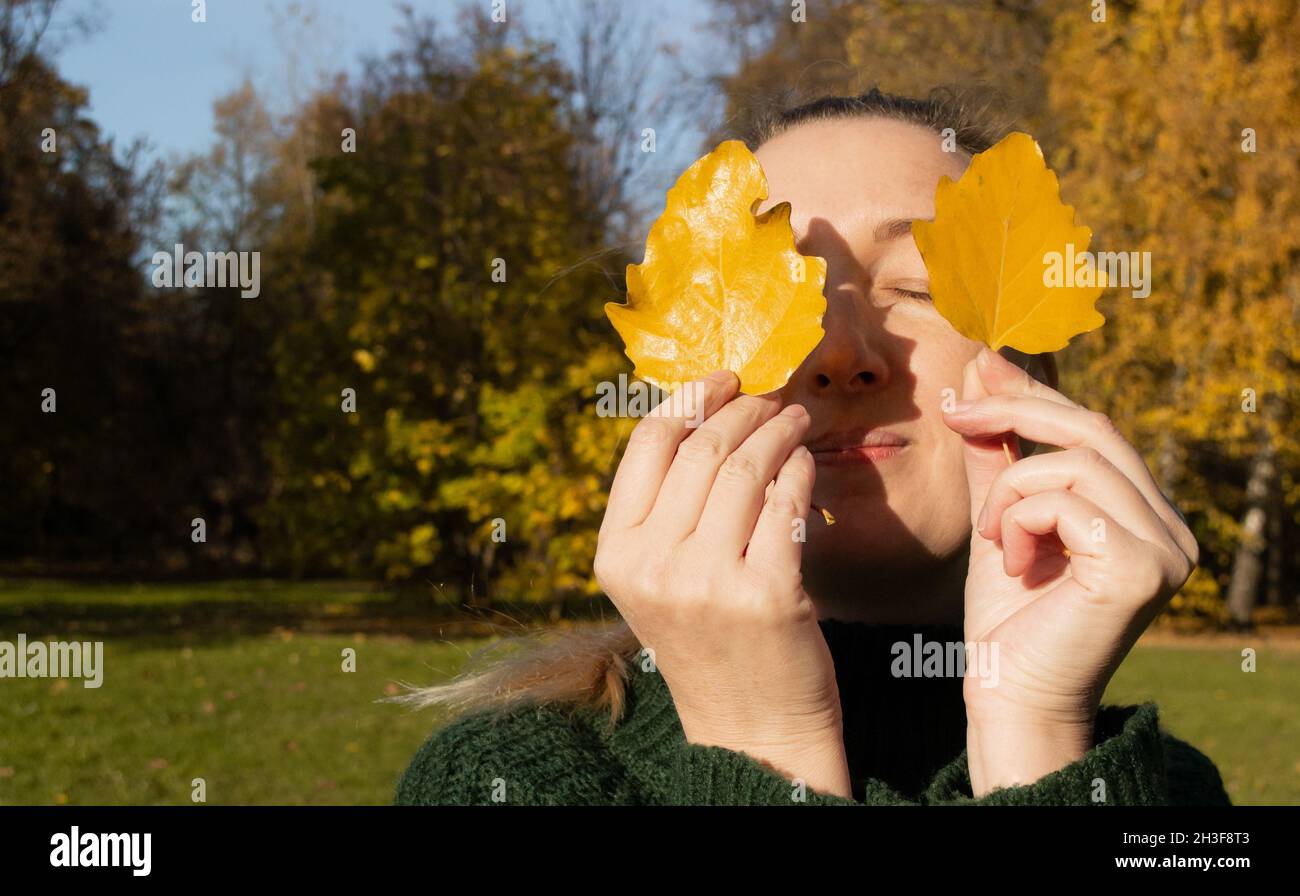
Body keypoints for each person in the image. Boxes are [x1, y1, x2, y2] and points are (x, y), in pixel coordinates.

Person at [393, 89, 1230, 806]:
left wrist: (1037, 736)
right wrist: (760, 743)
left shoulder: (1168, 798)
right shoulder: (506, 779)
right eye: (778, 293)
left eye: (918, 288)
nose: (840, 354)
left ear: (1031, 367)